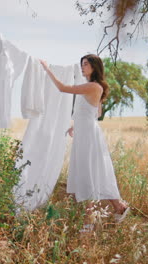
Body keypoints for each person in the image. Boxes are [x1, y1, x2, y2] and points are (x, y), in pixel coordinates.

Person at [40, 54, 130, 229]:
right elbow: (94, 112)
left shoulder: (93, 86)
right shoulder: (91, 87)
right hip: (86, 132)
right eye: (82, 64)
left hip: (88, 136)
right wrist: (77, 126)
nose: (82, 67)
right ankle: (119, 207)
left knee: (87, 173)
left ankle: (89, 222)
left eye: (86, 64)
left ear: (94, 67)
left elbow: (62, 88)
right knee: (93, 171)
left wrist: (46, 68)